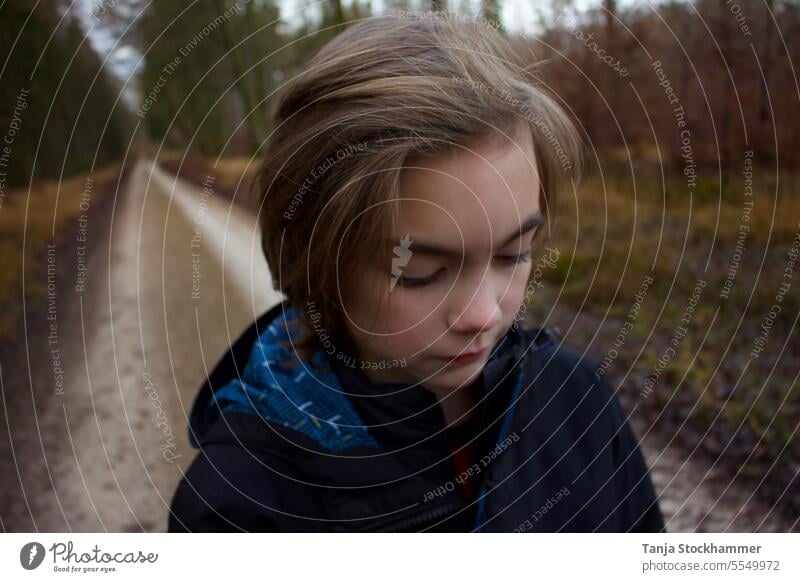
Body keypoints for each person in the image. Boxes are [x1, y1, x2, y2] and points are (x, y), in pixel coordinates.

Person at [167, 11, 665, 533]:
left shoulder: (576, 401)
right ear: (315, 262)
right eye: (420, 271)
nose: (483, 315)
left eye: (514, 253)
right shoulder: (239, 506)